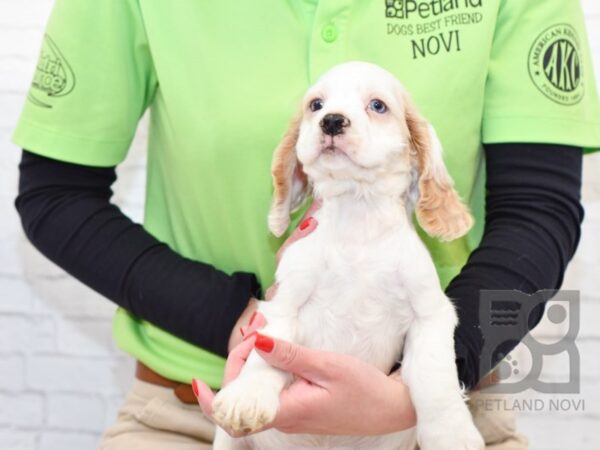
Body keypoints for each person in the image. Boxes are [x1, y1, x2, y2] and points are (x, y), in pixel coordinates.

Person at [12, 1, 600, 449]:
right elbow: (57, 197)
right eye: (321, 110)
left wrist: (428, 388)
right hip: (198, 412)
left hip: (441, 408)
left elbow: (537, 209)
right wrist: (253, 330)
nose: (336, 119)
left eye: (373, 108)